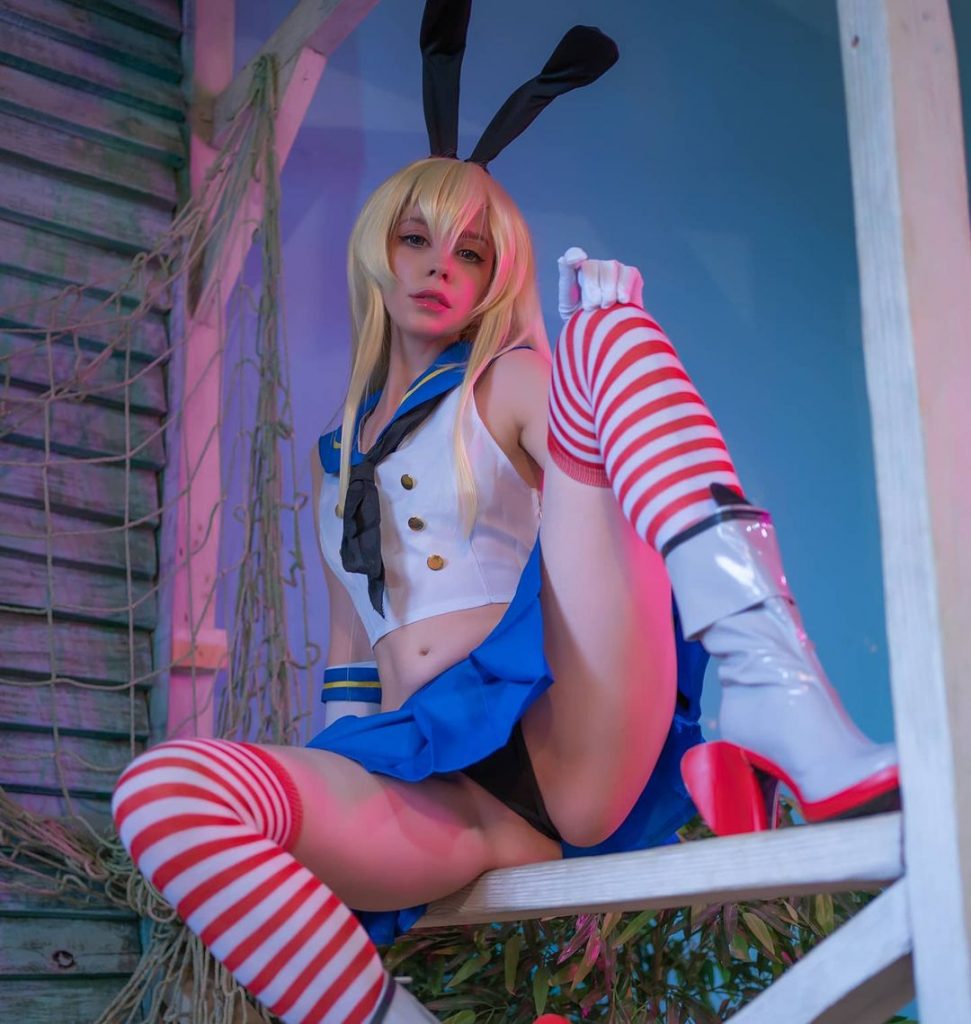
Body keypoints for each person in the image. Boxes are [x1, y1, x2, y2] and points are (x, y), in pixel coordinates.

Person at [110, 8, 898, 1024]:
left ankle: (771, 686)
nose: (440, 265)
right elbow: (352, 660)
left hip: (567, 721)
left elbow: (590, 447)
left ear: (495, 277)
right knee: (163, 794)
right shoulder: (333, 457)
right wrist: (327, 803)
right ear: (376, 249)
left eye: (471, 253)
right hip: (444, 790)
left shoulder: (511, 382)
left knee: (599, 320)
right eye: (416, 239)